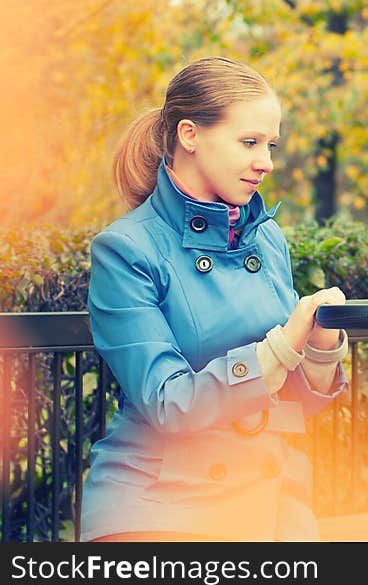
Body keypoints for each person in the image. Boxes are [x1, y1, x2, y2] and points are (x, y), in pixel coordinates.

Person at [82, 57, 348, 542]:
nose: (266, 161)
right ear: (190, 135)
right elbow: (169, 403)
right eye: (249, 142)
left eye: (270, 144)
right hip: (161, 506)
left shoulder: (267, 241)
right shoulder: (126, 250)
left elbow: (290, 404)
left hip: (268, 495)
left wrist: (320, 346)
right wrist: (280, 348)